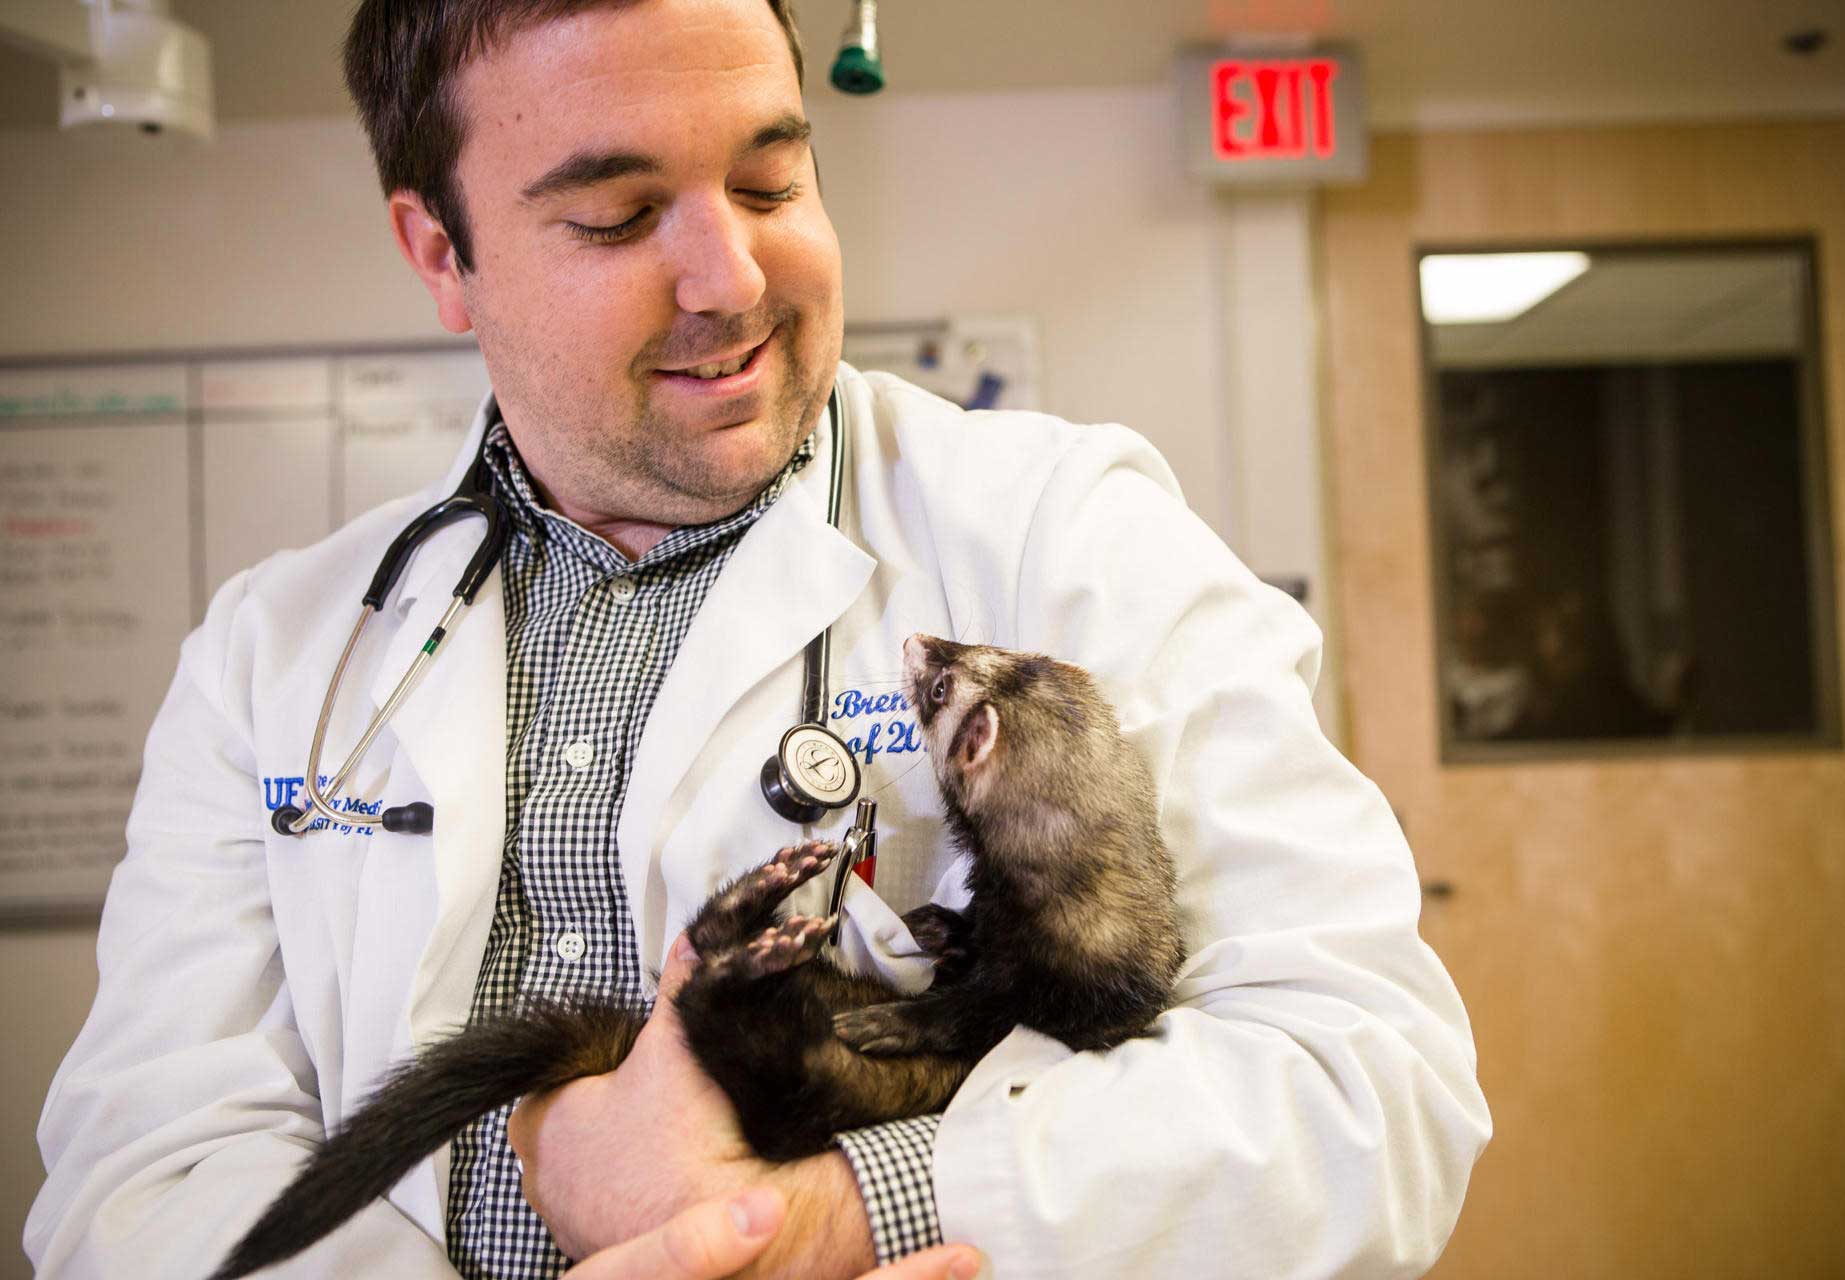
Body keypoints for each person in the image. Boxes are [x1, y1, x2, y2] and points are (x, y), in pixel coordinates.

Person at [26, 1, 1492, 1277]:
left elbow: (1362, 1092)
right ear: (441, 252)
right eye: (616, 216)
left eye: (771, 179)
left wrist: (826, 1220)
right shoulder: (274, 657)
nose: (731, 277)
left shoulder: (1063, 531)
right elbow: (146, 1175)